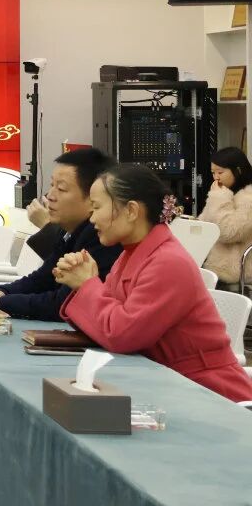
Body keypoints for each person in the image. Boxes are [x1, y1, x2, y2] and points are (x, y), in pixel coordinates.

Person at [56, 164, 252, 402]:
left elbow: (121, 334)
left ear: (131, 210)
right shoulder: (131, 254)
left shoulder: (168, 262)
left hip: (210, 394)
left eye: (97, 207)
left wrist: (88, 285)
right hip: (170, 384)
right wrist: (84, 282)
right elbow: (106, 322)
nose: (92, 218)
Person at [0, 148, 121, 321]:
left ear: (93, 198)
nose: (50, 196)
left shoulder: (101, 237)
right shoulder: (70, 230)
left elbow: (62, 303)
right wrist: (1, 291)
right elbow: (42, 279)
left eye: (61, 189)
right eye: (52, 185)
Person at [197, 146, 252, 287]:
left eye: (220, 172)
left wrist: (218, 196)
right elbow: (204, 225)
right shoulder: (223, 193)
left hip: (236, 273)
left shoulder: (248, 197)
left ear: (238, 170)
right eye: (213, 172)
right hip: (212, 268)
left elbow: (228, 233)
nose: (216, 177)